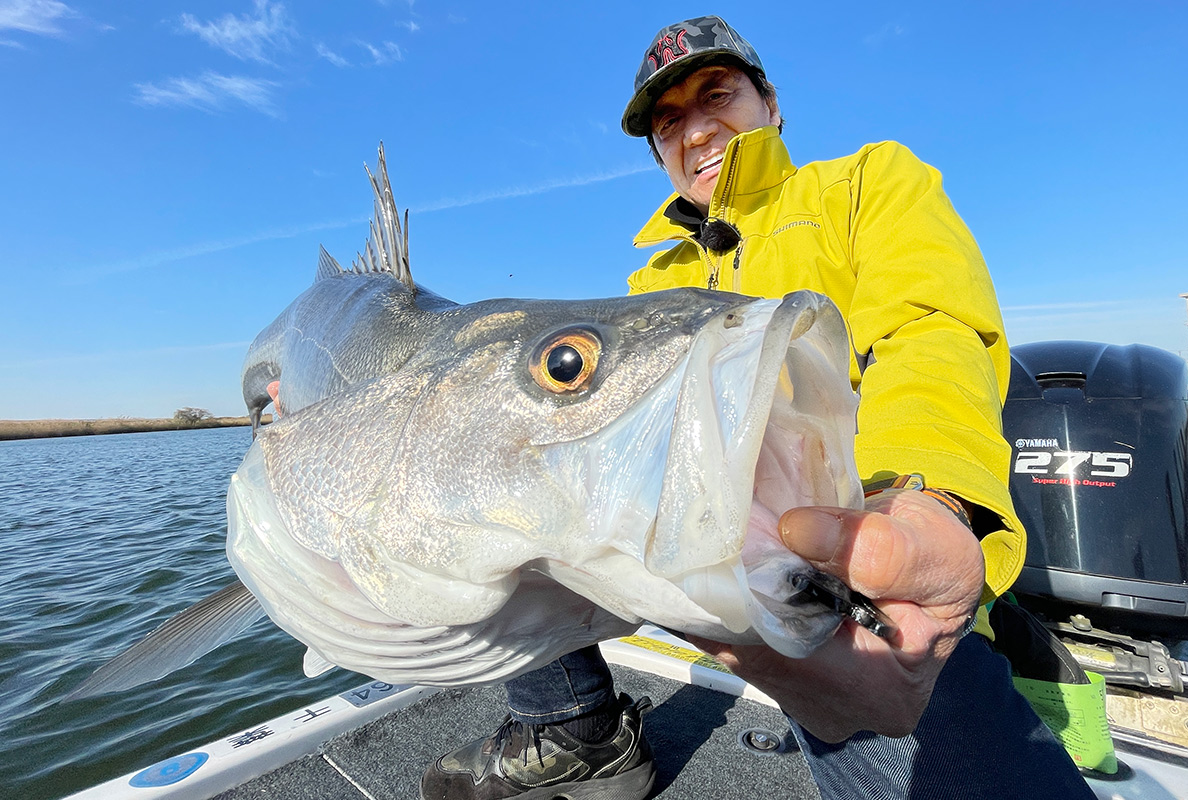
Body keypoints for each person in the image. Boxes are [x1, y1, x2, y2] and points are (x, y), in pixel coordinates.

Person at [422, 15, 1098, 800]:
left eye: (717, 94)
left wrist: (928, 500)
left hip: (835, 565)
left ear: (771, 103)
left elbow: (930, 333)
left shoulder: (867, 182)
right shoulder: (651, 283)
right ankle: (574, 723)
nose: (696, 128)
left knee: (895, 705)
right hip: (685, 562)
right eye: (669, 121)